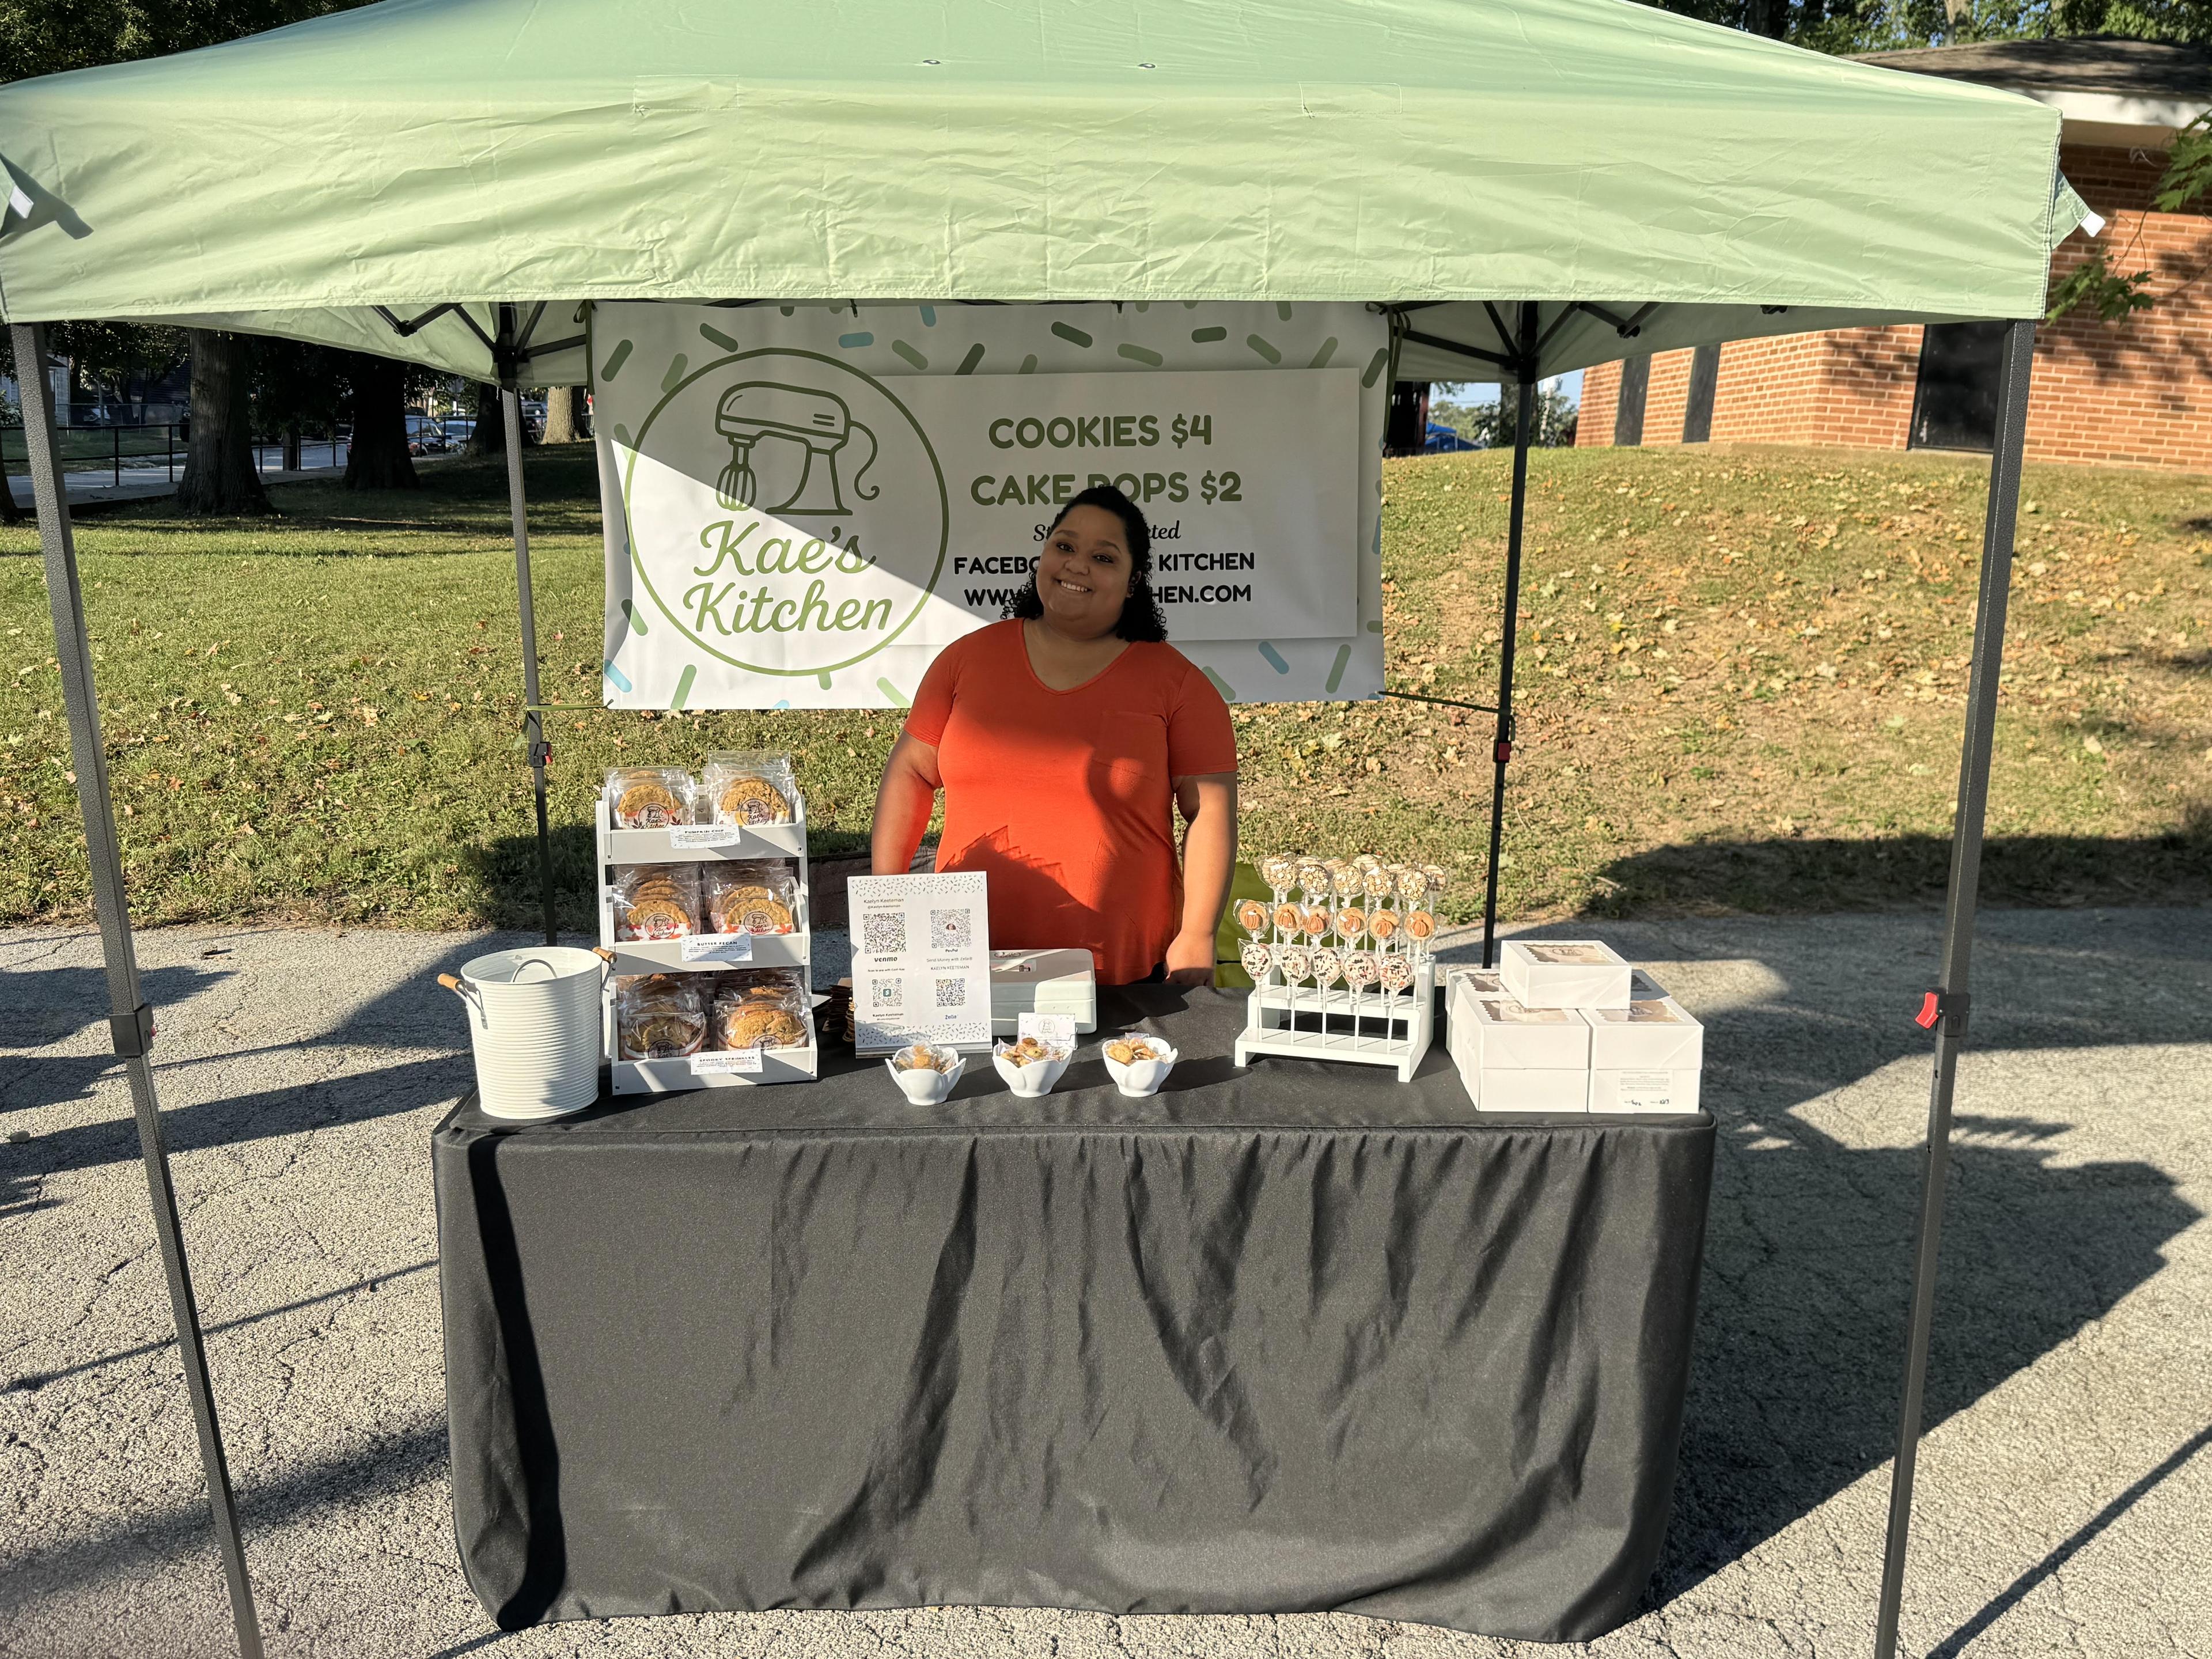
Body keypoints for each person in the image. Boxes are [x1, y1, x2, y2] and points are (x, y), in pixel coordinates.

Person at [871, 484, 1237, 986]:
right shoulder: (965, 660)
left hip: (1117, 972)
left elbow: (1210, 811)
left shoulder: (1179, 684)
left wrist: (1197, 933)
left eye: (1103, 557)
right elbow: (911, 771)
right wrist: (887, 898)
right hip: (964, 960)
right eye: (1064, 546)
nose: (1076, 565)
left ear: (1133, 581)